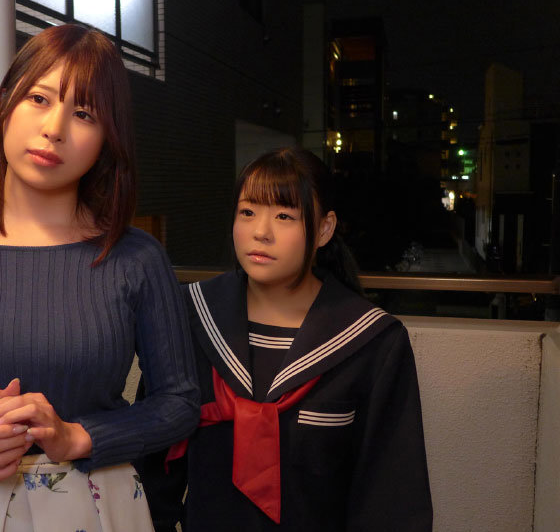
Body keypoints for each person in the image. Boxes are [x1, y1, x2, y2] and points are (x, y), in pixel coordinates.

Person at [0, 24, 199, 532]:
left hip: (103, 506)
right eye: (39, 98)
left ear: (107, 138)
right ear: (5, 101)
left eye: (84, 114)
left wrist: (78, 437)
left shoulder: (136, 257)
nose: (54, 128)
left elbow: (179, 402)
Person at [138, 146, 432, 531]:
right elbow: (151, 465)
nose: (261, 232)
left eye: (284, 216)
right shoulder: (191, 316)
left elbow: (392, 499)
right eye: (247, 212)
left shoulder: (371, 342)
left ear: (324, 229)